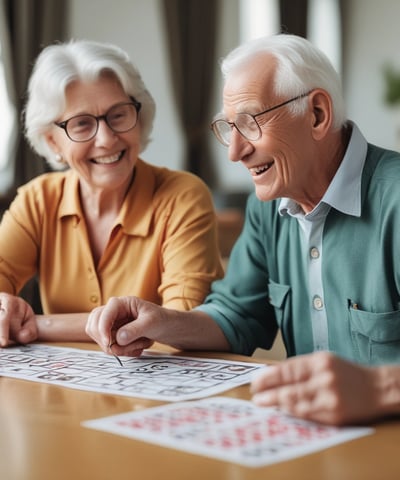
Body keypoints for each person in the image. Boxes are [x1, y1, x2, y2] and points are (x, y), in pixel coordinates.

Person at [85, 33, 400, 426]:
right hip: (312, 441)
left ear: (317, 114)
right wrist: (162, 322)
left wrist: (379, 389)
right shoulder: (267, 207)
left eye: (250, 123)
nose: (234, 152)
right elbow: (237, 316)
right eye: (229, 127)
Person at [0, 39, 223, 347]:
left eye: (118, 115)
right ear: (52, 142)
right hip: (61, 388)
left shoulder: (182, 196)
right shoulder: (37, 200)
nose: (106, 139)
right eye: (81, 124)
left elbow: (179, 321)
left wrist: (38, 324)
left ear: (139, 116)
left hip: (162, 386)